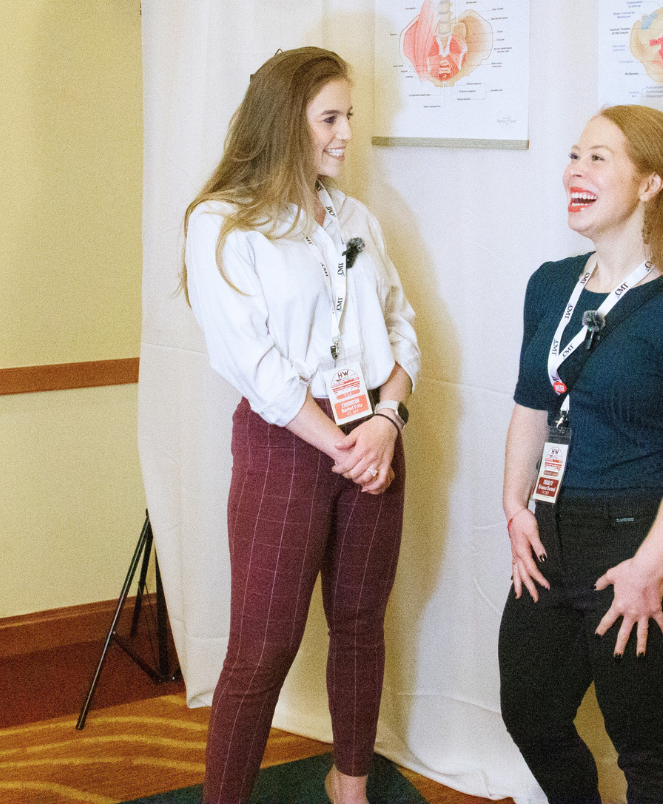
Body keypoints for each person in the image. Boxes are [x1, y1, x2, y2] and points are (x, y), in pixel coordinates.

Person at [181, 47, 420, 804]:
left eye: (349, 115)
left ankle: (349, 786)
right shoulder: (221, 223)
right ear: (287, 122)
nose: (347, 133)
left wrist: (386, 419)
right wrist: (341, 443)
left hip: (374, 441)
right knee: (263, 646)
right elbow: (255, 366)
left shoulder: (356, 218)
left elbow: (400, 326)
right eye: (332, 117)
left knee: (358, 623)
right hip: (288, 448)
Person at [498, 104, 663, 804]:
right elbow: (529, 405)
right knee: (533, 714)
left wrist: (650, 568)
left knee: (647, 753)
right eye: (574, 154)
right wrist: (514, 506)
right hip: (548, 540)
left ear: (650, 184)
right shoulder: (551, 284)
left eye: (598, 157)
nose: (575, 169)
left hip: (640, 548)